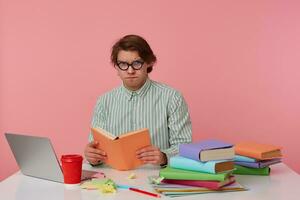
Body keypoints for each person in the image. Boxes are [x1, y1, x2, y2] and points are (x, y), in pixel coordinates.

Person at [84, 34, 192, 166]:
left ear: (148, 63)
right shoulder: (104, 101)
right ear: (116, 67)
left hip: (157, 179)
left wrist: (164, 157)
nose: (130, 70)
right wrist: (92, 156)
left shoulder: (172, 98)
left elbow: (185, 147)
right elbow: (95, 147)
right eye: (123, 64)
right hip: (114, 178)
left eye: (137, 63)